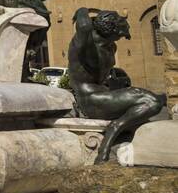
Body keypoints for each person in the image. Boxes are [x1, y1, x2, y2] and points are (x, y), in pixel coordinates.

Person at [67, 8, 167, 163]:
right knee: (151, 101)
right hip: (89, 100)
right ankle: (114, 130)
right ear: (110, 31)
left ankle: (124, 131)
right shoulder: (86, 45)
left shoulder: (110, 46)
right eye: (119, 35)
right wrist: (82, 10)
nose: (120, 38)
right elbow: (84, 26)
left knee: (158, 99)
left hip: (103, 94)